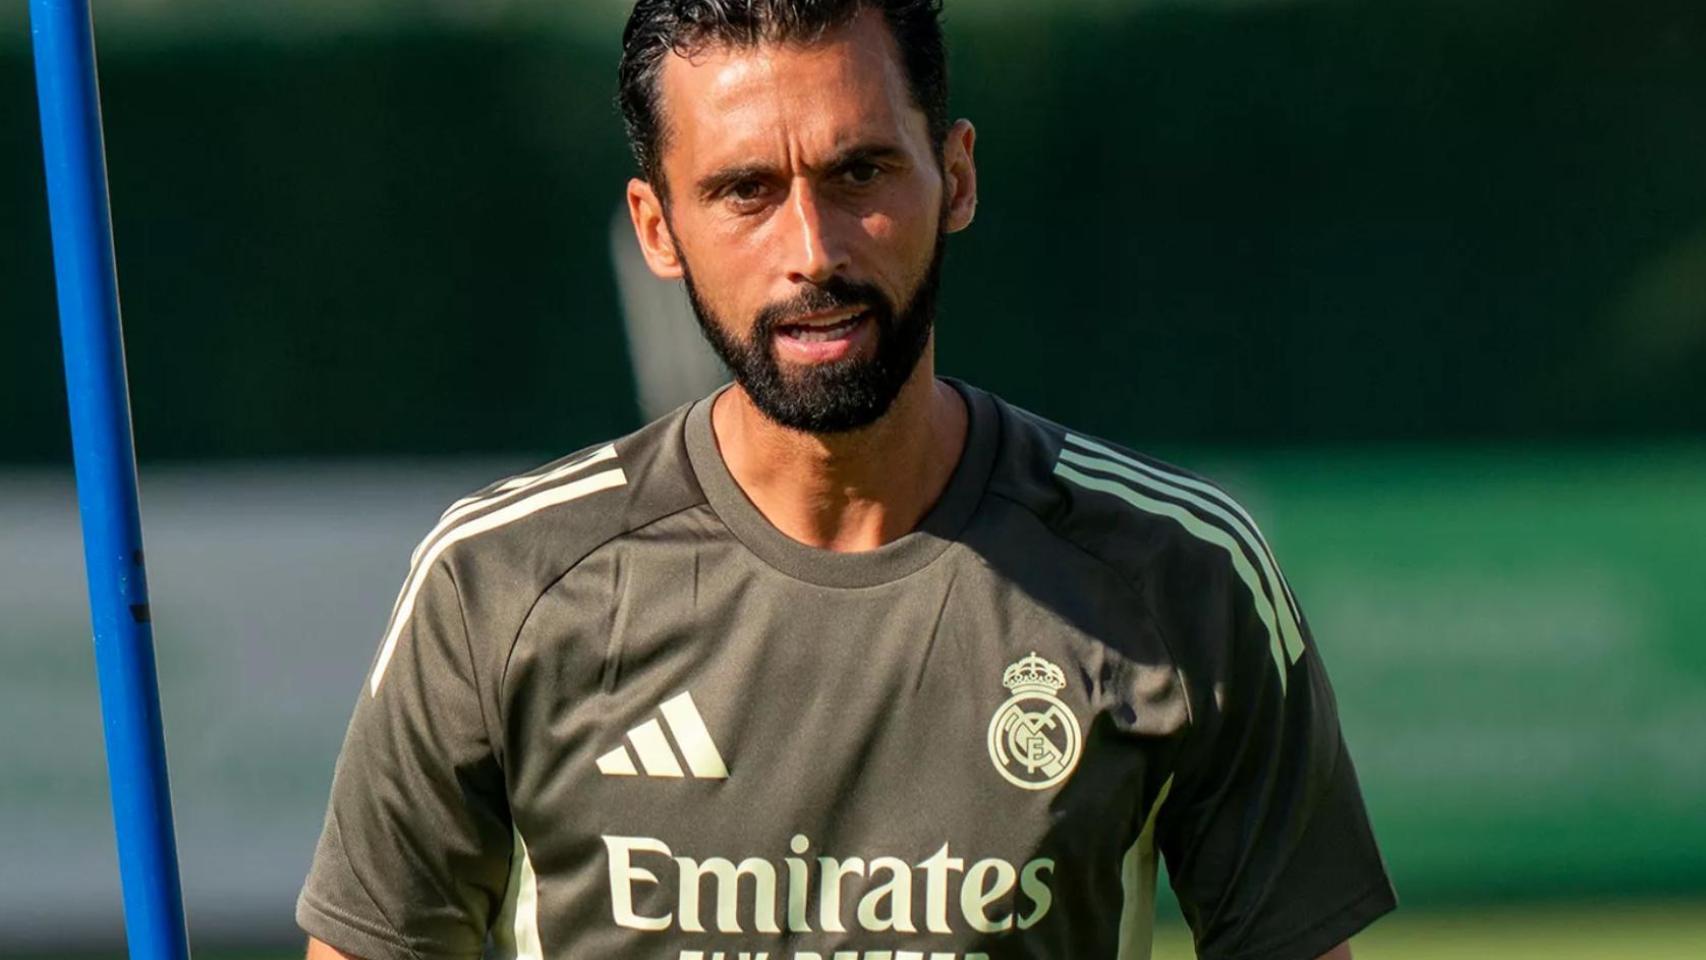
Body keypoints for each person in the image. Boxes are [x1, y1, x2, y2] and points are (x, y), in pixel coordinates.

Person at [297, 2, 1396, 959]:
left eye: (858, 170)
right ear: (657, 227)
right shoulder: (499, 586)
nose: (810, 248)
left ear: (954, 175)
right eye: (743, 190)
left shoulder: (1177, 577)